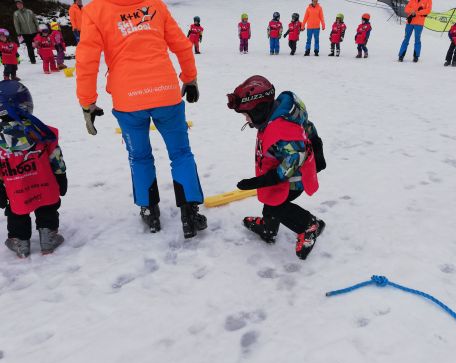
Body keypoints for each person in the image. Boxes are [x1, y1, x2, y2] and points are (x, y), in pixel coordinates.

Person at [76, 0, 207, 239]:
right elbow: (183, 46)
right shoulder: (154, 4)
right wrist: (189, 78)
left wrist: (88, 102)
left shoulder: (95, 11)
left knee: (139, 156)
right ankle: (189, 209)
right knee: (181, 153)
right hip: (165, 93)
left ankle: (149, 209)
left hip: (128, 99)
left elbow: (87, 60)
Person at [226, 75, 327, 260]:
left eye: (247, 114)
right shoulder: (284, 109)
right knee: (270, 200)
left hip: (293, 179)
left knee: (276, 205)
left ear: (259, 110)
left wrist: (260, 181)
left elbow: (293, 161)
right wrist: (317, 146)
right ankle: (268, 228)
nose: (246, 119)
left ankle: (308, 225)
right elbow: (307, 125)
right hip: (281, 170)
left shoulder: (281, 129)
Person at [0, 80, 67, 258]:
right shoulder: (39, 130)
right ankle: (48, 237)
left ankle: (20, 242)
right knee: (47, 207)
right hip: (45, 184)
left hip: (17, 188)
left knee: (16, 212)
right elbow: (55, 155)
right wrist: (61, 174)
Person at [13, 0, 39, 64]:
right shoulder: (16, 13)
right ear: (16, 5)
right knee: (29, 47)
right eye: (17, 4)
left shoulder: (29, 11)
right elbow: (16, 24)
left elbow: (35, 20)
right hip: (25, 33)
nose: (19, 5)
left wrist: (38, 28)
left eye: (20, 4)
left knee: (39, 44)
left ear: (22, 4)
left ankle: (45, 57)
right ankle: (33, 60)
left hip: (34, 31)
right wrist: (18, 32)